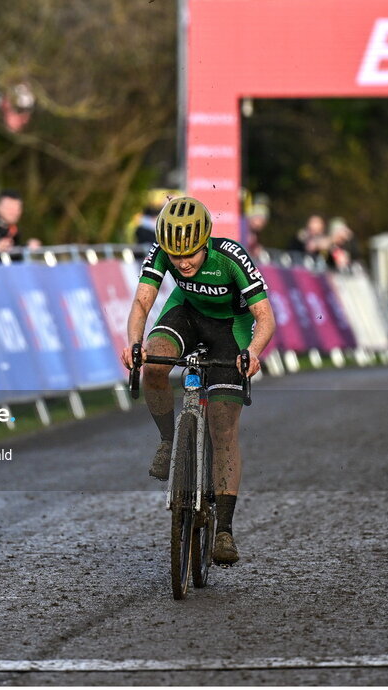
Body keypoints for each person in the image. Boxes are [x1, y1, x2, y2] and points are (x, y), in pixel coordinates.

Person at [119, 196, 275, 565]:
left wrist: (252, 351)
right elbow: (142, 303)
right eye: (175, 257)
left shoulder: (231, 257)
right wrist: (135, 344)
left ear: (205, 242)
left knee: (223, 428)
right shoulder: (163, 251)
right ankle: (168, 441)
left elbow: (265, 317)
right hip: (186, 314)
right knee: (154, 364)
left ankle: (224, 530)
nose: (183, 262)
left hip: (230, 330)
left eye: (190, 254)